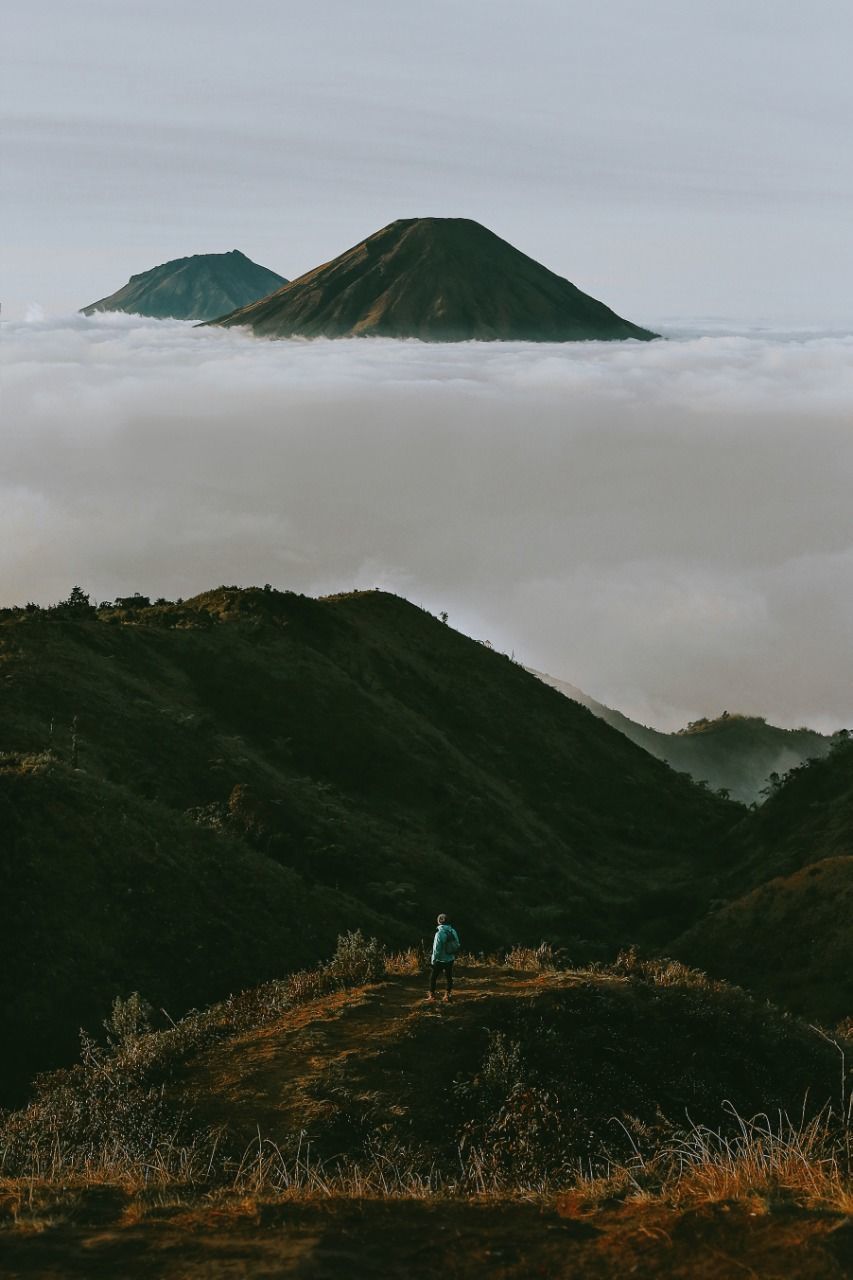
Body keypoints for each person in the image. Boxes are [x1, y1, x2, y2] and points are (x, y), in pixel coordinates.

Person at [427, 913, 460, 1003]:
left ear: (438, 922)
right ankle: (447, 995)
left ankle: (432, 996)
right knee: (449, 977)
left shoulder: (439, 933)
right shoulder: (452, 931)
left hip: (440, 960)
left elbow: (436, 950)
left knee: (433, 978)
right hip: (450, 959)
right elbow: (457, 944)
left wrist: (433, 960)